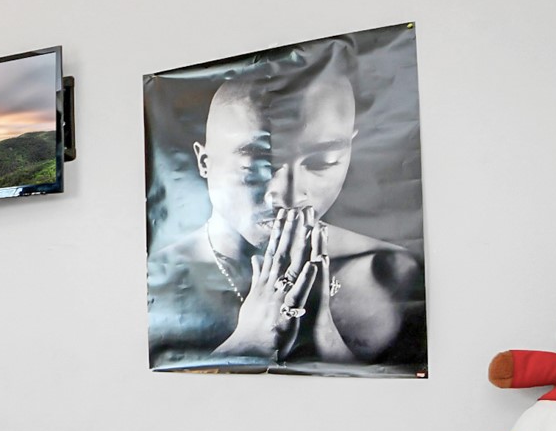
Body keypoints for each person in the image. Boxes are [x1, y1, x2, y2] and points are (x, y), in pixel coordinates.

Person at [147, 41, 424, 371]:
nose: (289, 196)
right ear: (204, 162)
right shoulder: (153, 279)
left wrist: (326, 342)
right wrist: (246, 345)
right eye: (256, 166)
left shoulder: (391, 272)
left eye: (323, 162)